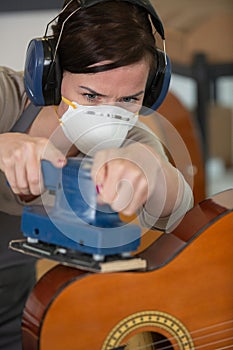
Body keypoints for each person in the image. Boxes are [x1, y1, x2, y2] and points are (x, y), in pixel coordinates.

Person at [0, 0, 194, 348]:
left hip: (17, 322)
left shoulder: (131, 137)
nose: (108, 116)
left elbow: (179, 204)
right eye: (90, 95)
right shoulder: (5, 97)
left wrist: (146, 168)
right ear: (50, 77)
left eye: (128, 100)